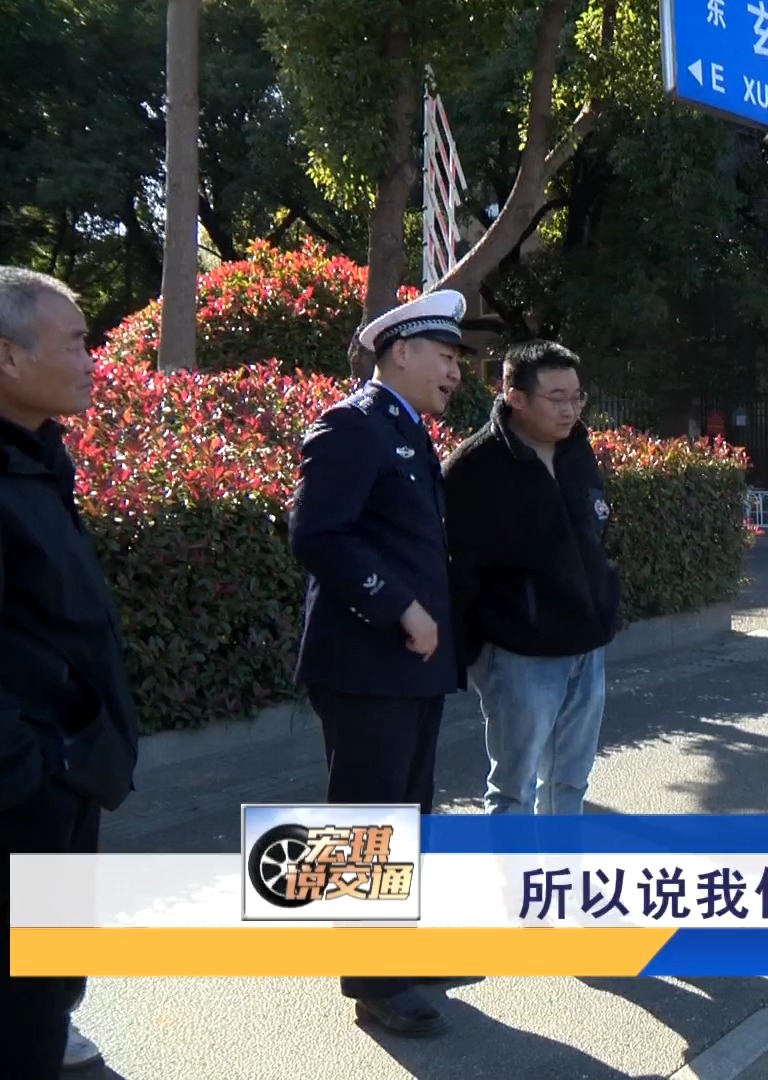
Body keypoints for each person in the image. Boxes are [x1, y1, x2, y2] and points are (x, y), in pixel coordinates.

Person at [287, 289, 469, 1037]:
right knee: (369, 817)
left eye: (457, 359)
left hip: (411, 664)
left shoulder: (405, 430)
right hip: (367, 660)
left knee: (408, 810)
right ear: (400, 353)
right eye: (445, 356)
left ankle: (399, 953)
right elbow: (317, 534)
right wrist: (398, 607)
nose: (454, 372)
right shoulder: (353, 425)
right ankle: (374, 982)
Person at [0, 267, 141, 1078]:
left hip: (63, 773)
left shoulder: (37, 455)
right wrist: (36, 772)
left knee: (46, 997)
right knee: (20, 1015)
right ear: (8, 358)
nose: (94, 361)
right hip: (25, 793)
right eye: (78, 343)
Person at [444, 341, 620, 816]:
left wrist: (604, 600)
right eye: (556, 397)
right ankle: (513, 867)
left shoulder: (578, 450)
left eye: (577, 397)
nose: (570, 410)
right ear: (515, 397)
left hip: (586, 644)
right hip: (519, 652)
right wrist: (471, 651)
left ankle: (561, 864)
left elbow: (595, 533)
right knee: (514, 788)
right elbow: (457, 568)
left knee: (570, 781)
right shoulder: (473, 468)